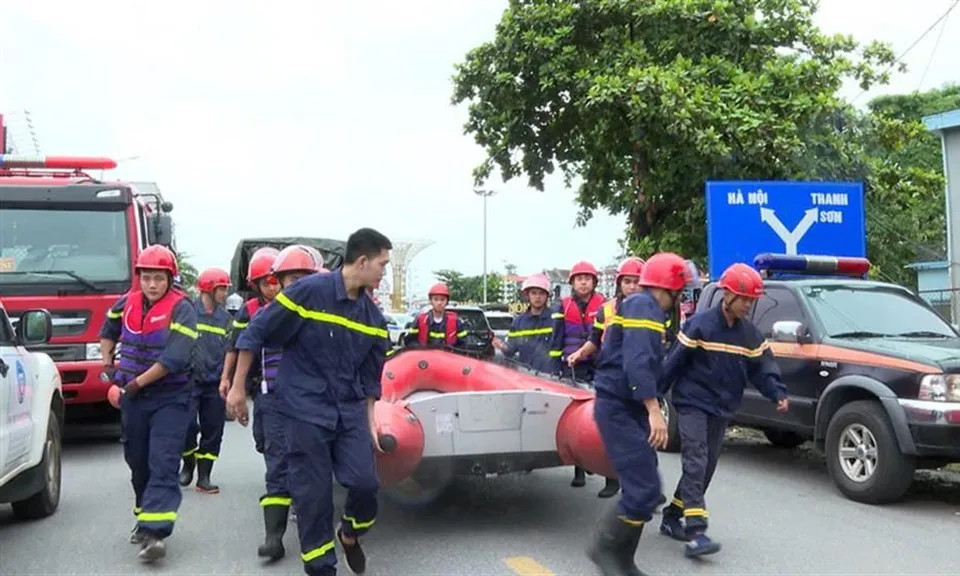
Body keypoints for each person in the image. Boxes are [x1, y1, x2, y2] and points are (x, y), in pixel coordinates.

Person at [227, 228, 392, 576]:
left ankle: (349, 534)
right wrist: (238, 388)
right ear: (361, 262)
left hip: (348, 412)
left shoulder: (373, 320)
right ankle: (321, 568)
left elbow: (370, 379)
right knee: (312, 497)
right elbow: (256, 334)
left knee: (365, 484)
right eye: (382, 264)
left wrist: (371, 421)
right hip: (303, 409)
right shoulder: (308, 292)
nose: (383, 272)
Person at [658, 262, 789, 557]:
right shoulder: (700, 325)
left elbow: (763, 368)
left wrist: (776, 392)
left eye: (752, 300)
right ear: (727, 295)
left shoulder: (750, 335)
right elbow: (673, 363)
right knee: (696, 459)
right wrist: (651, 399)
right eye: (744, 298)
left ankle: (671, 516)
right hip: (692, 403)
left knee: (706, 469)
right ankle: (697, 533)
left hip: (722, 407)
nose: (748, 304)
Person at [587, 252, 691, 576]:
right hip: (619, 406)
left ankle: (622, 560)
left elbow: (653, 363)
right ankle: (605, 550)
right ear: (670, 287)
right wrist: (654, 411)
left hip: (626, 406)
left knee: (645, 489)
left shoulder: (645, 308)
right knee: (643, 488)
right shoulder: (643, 306)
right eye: (681, 291)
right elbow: (636, 362)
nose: (681, 298)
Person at [98, 245, 199, 563]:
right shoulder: (126, 303)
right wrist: (108, 367)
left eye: (158, 278)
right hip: (133, 398)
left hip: (170, 398)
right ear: (139, 278)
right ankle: (144, 516)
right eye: (146, 277)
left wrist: (132, 385)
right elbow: (108, 329)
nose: (152, 284)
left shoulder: (183, 309)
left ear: (170, 279)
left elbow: (174, 359)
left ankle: (155, 533)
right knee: (137, 460)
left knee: (163, 461)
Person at [231, 244, 326, 561]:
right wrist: (236, 389)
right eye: (288, 278)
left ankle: (317, 535)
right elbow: (245, 344)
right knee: (277, 465)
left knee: (311, 465)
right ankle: (274, 538)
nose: (293, 285)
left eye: (302, 278)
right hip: (273, 398)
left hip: (313, 401)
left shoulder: (324, 311)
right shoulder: (267, 314)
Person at [548, 260, 618, 496]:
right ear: (572, 283)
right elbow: (556, 341)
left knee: (606, 419)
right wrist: (554, 369)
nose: (584, 282)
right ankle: (579, 470)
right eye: (579, 278)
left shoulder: (606, 306)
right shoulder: (563, 306)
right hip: (572, 368)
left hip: (601, 367)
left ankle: (611, 478)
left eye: (588, 278)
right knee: (574, 418)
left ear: (595, 282)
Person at [219, 247, 281, 452]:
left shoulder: (295, 307)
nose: (273, 288)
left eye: (276, 282)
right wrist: (227, 379)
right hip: (259, 383)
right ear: (256, 285)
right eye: (266, 284)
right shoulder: (249, 310)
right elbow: (234, 346)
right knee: (263, 438)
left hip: (289, 382)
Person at [179, 267, 233, 494]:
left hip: (214, 383)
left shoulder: (227, 319)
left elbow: (232, 349)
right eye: (222, 289)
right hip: (189, 381)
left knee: (213, 431)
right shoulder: (188, 312)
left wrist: (226, 379)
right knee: (186, 426)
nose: (225, 294)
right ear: (209, 288)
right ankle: (188, 463)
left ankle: (204, 476)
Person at [492, 274, 554, 373]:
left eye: (541, 293)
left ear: (547, 296)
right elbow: (511, 350)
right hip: (526, 377)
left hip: (552, 378)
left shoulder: (556, 319)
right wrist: (500, 345)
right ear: (527, 295)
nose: (537, 297)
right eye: (533, 293)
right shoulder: (519, 322)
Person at [402, 283, 467, 349]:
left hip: (448, 358)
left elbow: (463, 345)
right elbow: (409, 341)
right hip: (425, 358)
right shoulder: (420, 320)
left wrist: (451, 351)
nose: (439, 303)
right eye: (436, 299)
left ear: (447, 301)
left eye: (442, 299)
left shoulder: (455, 321)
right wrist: (421, 349)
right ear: (431, 301)